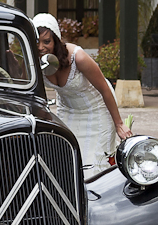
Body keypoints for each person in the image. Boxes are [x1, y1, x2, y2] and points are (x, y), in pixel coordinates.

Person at [33, 12, 132, 171]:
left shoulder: (77, 57)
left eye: (46, 41)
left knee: (96, 164)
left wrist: (119, 124)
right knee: (67, 160)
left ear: (56, 40)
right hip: (68, 111)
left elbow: (104, 89)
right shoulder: (35, 59)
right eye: (37, 42)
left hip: (97, 109)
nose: (41, 47)